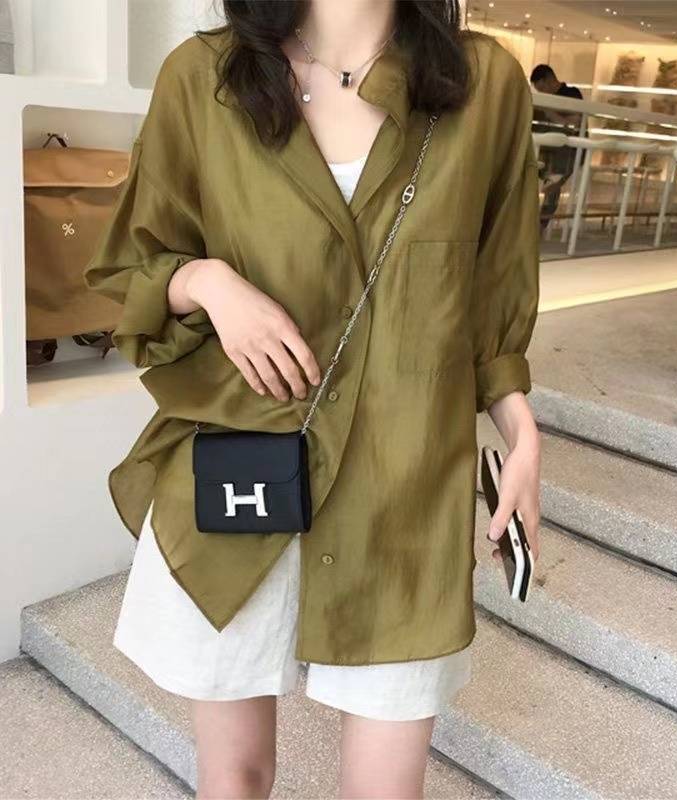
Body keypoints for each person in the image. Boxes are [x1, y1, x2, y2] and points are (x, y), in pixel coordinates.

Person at [83, 1, 541, 798]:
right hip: (238, 474)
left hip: (405, 488)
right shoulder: (203, 78)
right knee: (234, 778)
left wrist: (522, 432)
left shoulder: (484, 84)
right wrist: (208, 282)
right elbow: (132, 267)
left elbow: (489, 300)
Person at [530, 63, 584, 230]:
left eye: (542, 88)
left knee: (553, 178)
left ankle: (540, 224)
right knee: (546, 176)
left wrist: (548, 112)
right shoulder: (550, 99)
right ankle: (535, 222)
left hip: (567, 150)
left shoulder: (571, 93)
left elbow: (573, 125)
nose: (542, 93)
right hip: (548, 148)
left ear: (549, 80)